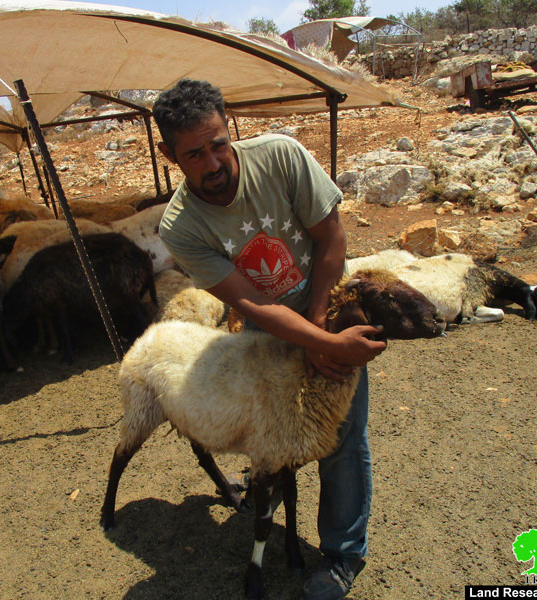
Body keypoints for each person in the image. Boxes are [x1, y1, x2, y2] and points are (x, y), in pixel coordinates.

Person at [152, 79, 386, 600]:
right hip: (265, 330)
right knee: (277, 436)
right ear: (169, 155)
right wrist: (308, 342)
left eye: (218, 143)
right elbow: (250, 302)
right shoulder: (181, 227)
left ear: (228, 125)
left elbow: (331, 237)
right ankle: (271, 490)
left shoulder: (282, 157)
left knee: (342, 438)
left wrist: (323, 333)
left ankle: (344, 555)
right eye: (194, 154)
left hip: (326, 304)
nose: (213, 163)